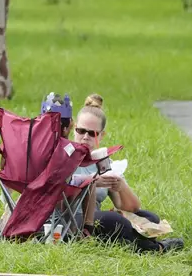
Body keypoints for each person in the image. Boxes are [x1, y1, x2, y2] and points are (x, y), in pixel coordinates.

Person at [68, 93, 184, 252]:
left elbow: (132, 207)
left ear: (101, 136)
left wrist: (120, 185)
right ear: (74, 129)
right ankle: (155, 248)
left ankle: (132, 241)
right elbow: (59, 190)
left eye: (92, 133)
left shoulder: (104, 163)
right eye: (81, 131)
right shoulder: (65, 157)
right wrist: (91, 181)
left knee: (150, 218)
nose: (85, 137)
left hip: (95, 221)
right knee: (114, 220)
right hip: (71, 220)